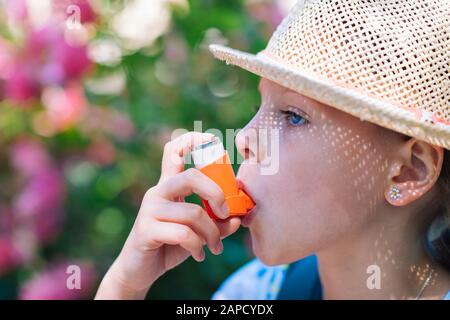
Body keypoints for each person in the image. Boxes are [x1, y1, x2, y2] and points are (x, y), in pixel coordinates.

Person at [95, 0, 450, 299]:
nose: (244, 138)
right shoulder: (253, 293)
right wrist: (125, 286)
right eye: (258, 109)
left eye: (293, 117)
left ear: (409, 170)